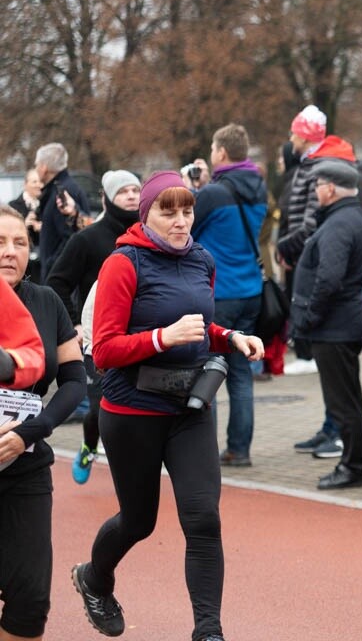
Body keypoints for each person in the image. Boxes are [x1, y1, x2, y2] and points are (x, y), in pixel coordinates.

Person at [72, 170, 264, 641]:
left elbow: (202, 327)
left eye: (187, 211)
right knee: (138, 521)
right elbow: (106, 348)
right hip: (132, 411)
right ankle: (94, 577)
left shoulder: (203, 259)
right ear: (147, 215)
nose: (181, 221)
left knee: (203, 519)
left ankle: (208, 632)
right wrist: (162, 337)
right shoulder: (123, 262)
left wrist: (233, 337)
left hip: (190, 409)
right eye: (168, 211)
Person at [0, 205, 86, 641]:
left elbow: (74, 381)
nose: (10, 252)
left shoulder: (46, 302)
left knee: (31, 600)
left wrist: (30, 432)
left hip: (26, 462)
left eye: (19, 243)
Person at [46, 170, 142, 485]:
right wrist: (74, 323)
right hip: (97, 337)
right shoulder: (87, 238)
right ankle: (90, 445)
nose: (131, 195)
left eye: (135, 190)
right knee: (102, 409)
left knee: (135, 405)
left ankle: (131, 472)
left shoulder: (149, 235)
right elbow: (57, 282)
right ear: (106, 197)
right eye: (123, 191)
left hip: (139, 336)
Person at [278, 105, 356, 457]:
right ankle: (331, 426)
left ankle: (338, 432)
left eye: (294, 133)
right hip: (306, 260)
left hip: (314, 265)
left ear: (305, 134)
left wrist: (288, 247)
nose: (290, 140)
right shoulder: (312, 165)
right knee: (328, 366)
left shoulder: (322, 167)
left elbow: (310, 222)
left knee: (334, 363)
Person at [290, 159, 362, 490]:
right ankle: (353, 465)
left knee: (343, 403)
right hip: (340, 324)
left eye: (316, 186)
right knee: (347, 400)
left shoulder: (340, 223)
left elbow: (329, 278)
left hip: (334, 327)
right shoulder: (348, 217)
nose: (314, 192)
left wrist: (309, 317)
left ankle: (353, 467)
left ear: (329, 189)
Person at [192, 124, 269, 468]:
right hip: (251, 289)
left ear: (221, 152)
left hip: (218, 292)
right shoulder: (260, 188)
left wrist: (196, 191)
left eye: (212, 147)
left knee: (208, 370)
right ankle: (239, 449)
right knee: (239, 375)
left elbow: (186, 228)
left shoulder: (212, 194)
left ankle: (202, 450)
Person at [34, 142, 92, 283]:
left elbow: (69, 237)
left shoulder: (61, 194)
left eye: (36, 164)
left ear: (44, 167)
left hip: (61, 280)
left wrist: (51, 265)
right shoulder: (67, 187)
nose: (35, 168)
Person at [8, 169, 42, 284]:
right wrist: (24, 225)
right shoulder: (13, 206)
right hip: (21, 260)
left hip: (40, 261)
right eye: (34, 182)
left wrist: (43, 228)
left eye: (40, 182)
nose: (38, 185)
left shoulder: (45, 205)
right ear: (25, 184)